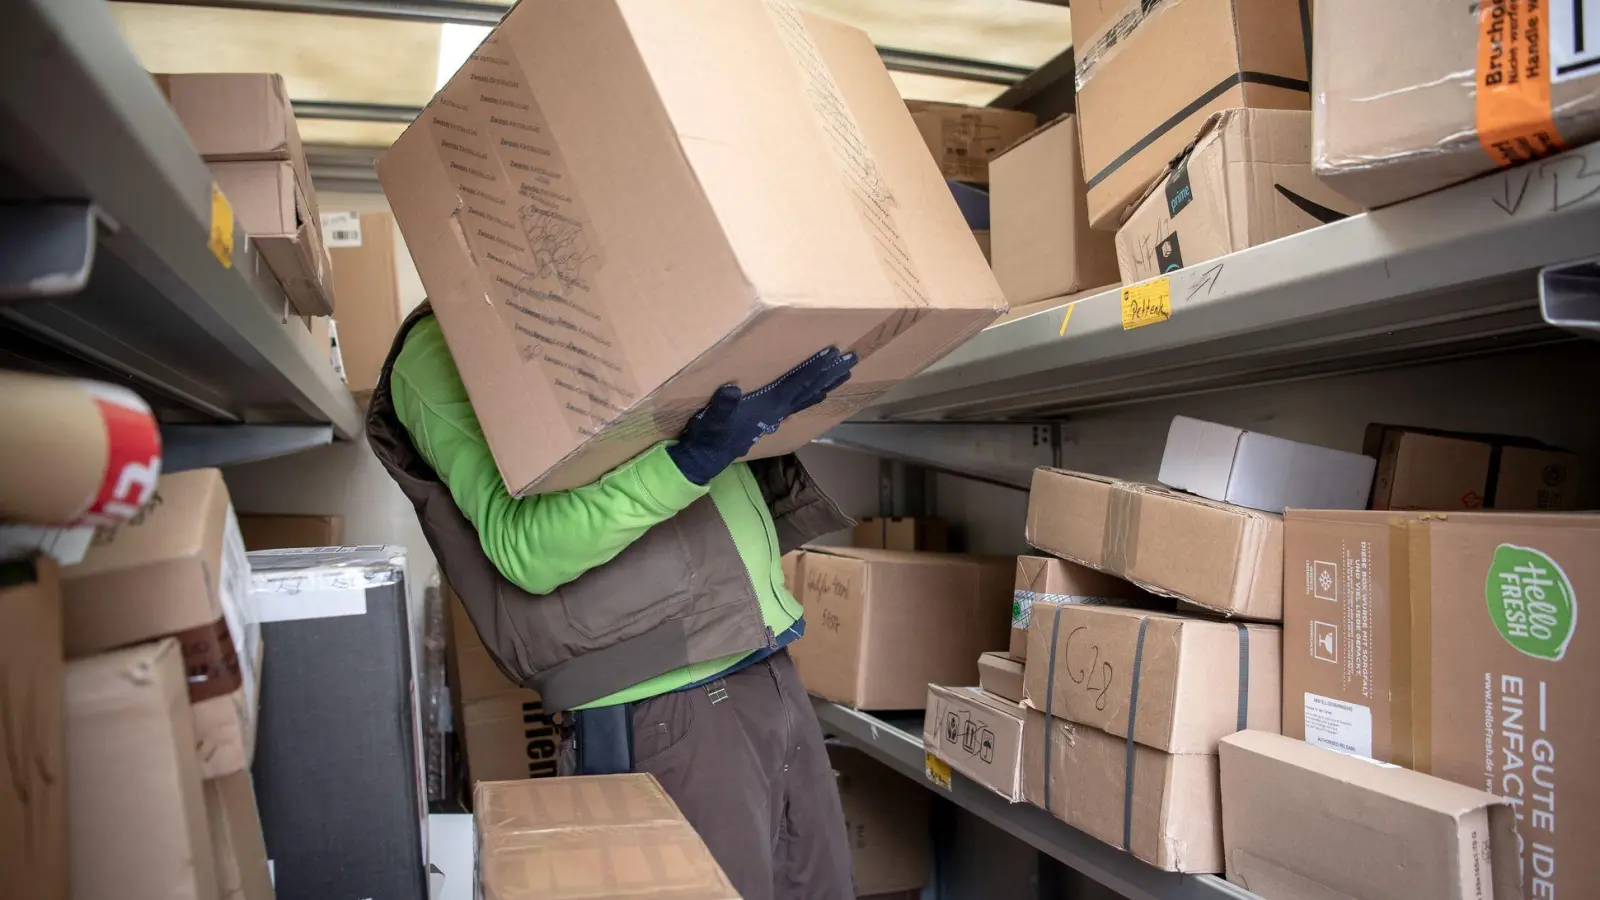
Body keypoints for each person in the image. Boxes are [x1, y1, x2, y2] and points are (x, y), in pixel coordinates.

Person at [366, 301, 860, 900]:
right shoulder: (436, 349)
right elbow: (527, 548)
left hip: (763, 664)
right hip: (664, 703)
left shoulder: (614, 289)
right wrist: (693, 459)